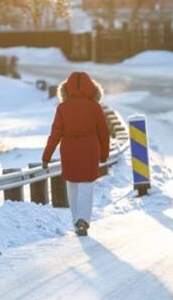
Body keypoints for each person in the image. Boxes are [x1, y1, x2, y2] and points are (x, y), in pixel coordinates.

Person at [42, 72, 110, 236]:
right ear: (92, 89)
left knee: (72, 185)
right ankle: (83, 221)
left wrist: (46, 156)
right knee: (87, 186)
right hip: (89, 151)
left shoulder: (62, 108)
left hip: (69, 151)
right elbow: (103, 133)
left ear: (65, 89)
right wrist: (104, 154)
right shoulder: (95, 107)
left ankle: (76, 221)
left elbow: (55, 134)